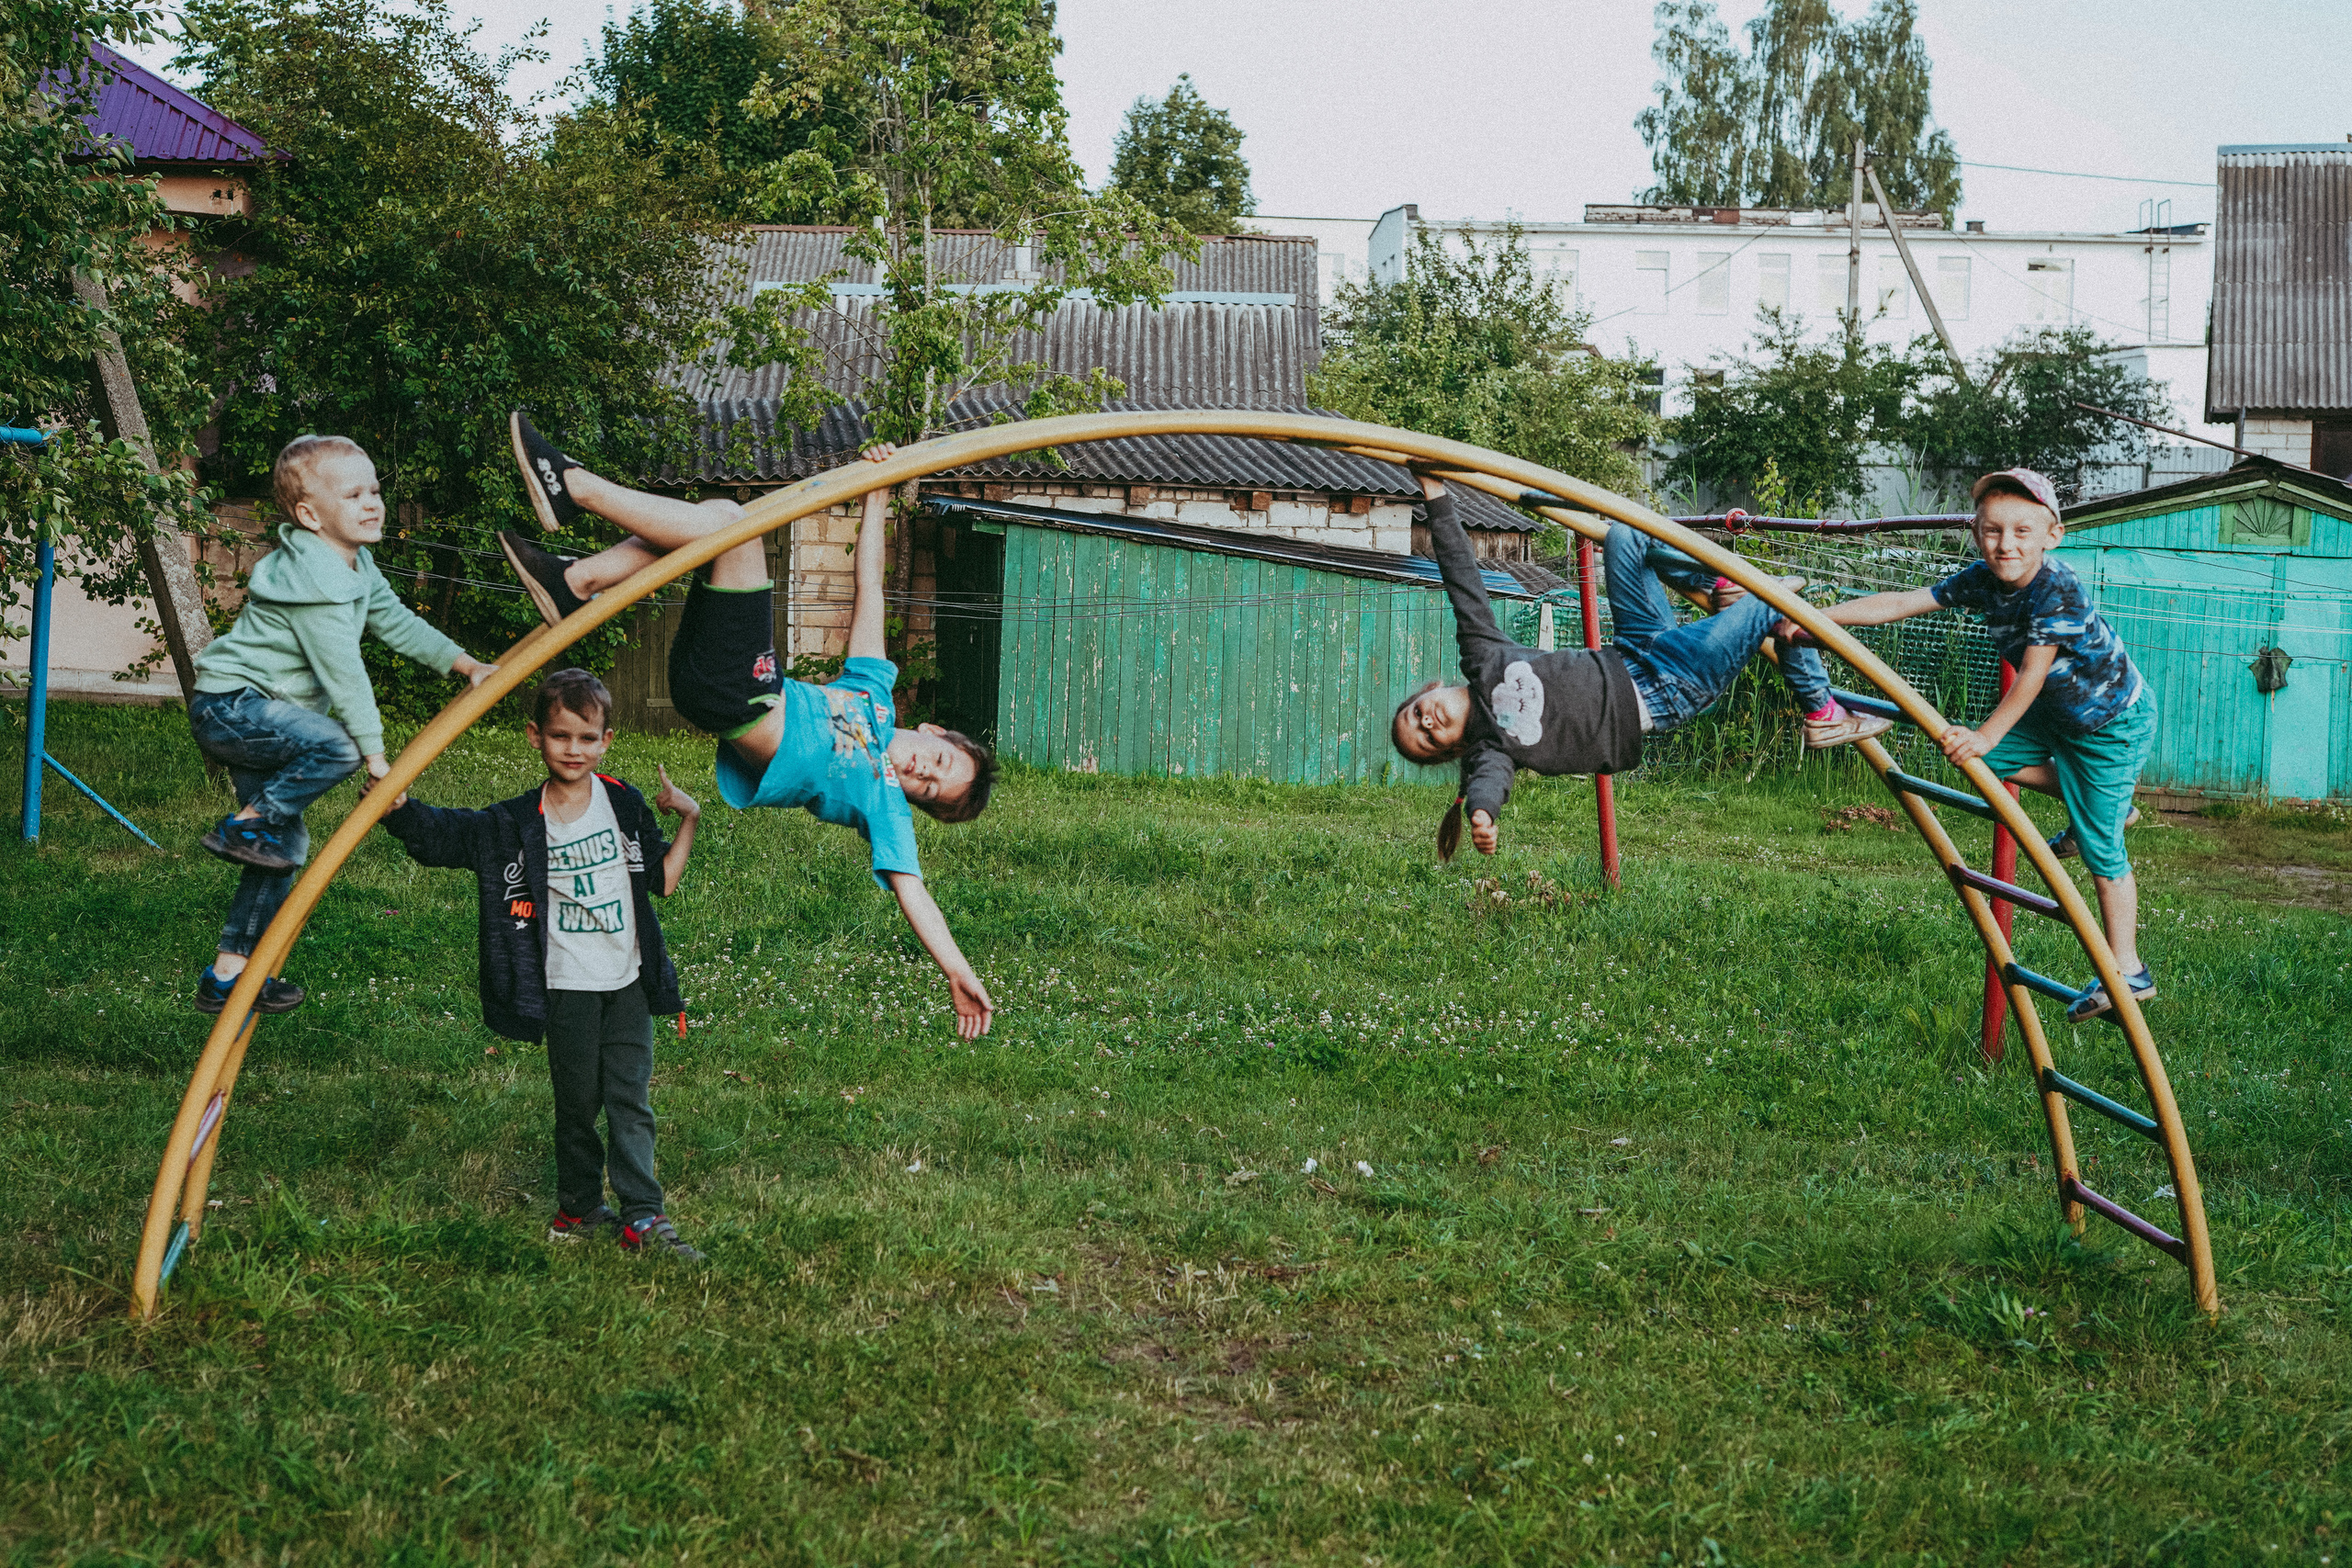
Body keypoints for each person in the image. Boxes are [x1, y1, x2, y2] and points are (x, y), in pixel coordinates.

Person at [493, 412, 1000, 1038]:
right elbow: (870, 587)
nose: (923, 774)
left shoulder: (883, 801)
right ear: (935, 731)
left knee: (738, 527)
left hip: (741, 697)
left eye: (931, 790)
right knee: (720, 516)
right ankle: (577, 580)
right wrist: (880, 491)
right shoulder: (874, 695)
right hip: (721, 677)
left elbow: (913, 891)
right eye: (940, 763)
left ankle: (576, 489)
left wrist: (955, 967)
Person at [1776, 468, 2155, 1022]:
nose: (2006, 545)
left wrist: (1985, 731)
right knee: (1989, 761)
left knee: (2100, 851)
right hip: (2057, 715)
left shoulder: (2058, 588)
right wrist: (1820, 622)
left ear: (2052, 536)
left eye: (2023, 532)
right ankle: (2105, 804)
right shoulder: (1983, 578)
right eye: (1993, 531)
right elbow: (1904, 602)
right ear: (1976, 533)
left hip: (2109, 722)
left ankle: (2129, 969)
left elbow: (2030, 673)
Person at [380, 669, 707, 1258]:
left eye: (587, 739)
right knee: (578, 1104)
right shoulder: (514, 823)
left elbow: (662, 880)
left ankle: (644, 1216)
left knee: (631, 1100)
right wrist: (397, 808)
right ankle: (579, 1209)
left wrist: (689, 817)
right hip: (567, 987)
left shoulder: (626, 803)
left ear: (606, 740)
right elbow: (448, 837)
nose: (574, 750)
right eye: (561, 737)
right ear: (536, 737)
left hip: (628, 981)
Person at [1392, 474, 1889, 858]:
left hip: (1635, 647)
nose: (1428, 723)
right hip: (1670, 686)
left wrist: (1434, 492)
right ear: (1450, 749)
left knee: (1628, 535)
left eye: (1417, 715)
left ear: (1427, 691)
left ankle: (1718, 588)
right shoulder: (1491, 747)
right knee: (1776, 599)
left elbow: (1462, 578)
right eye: (1430, 740)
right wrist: (1481, 813)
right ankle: (1821, 710)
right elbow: (1487, 784)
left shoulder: (1482, 654)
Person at [187, 434, 496, 1015]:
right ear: (309, 515)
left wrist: (465, 663)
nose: (373, 503)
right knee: (337, 746)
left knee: (283, 848)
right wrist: (377, 757)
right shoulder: (317, 581)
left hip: (266, 717)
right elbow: (345, 675)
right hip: (232, 706)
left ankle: (227, 974)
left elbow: (397, 624)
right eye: (353, 494)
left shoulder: (355, 565)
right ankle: (247, 822)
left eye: (375, 489)